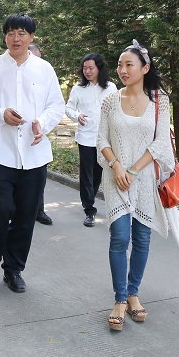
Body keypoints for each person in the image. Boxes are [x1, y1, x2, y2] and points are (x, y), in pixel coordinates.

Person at [0, 14, 64, 293]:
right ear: (5, 36)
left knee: (25, 216)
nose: (16, 38)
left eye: (22, 33)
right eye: (11, 33)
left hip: (34, 156)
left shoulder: (44, 69)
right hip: (0, 153)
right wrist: (1, 114)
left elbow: (56, 106)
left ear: (31, 37)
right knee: (0, 210)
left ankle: (13, 270)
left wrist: (41, 123)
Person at [97, 40, 176, 331]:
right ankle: (119, 299)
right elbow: (101, 139)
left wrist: (133, 169)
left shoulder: (159, 101)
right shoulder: (110, 100)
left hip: (143, 180)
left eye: (129, 64)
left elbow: (161, 142)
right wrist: (117, 166)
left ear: (145, 68)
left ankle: (133, 294)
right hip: (116, 178)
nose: (122, 70)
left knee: (142, 238)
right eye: (120, 65)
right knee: (119, 237)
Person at [65, 53, 117, 227]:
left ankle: (90, 197)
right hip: (85, 137)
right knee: (86, 174)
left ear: (99, 68)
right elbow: (68, 108)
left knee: (98, 172)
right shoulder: (78, 89)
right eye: (84, 68)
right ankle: (89, 209)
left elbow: (117, 109)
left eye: (91, 68)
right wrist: (77, 116)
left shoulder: (111, 88)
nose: (87, 71)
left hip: (105, 139)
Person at [27, 42, 53, 226]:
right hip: (15, 138)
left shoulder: (45, 76)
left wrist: (43, 123)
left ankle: (39, 210)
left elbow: (54, 106)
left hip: (39, 137)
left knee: (39, 177)